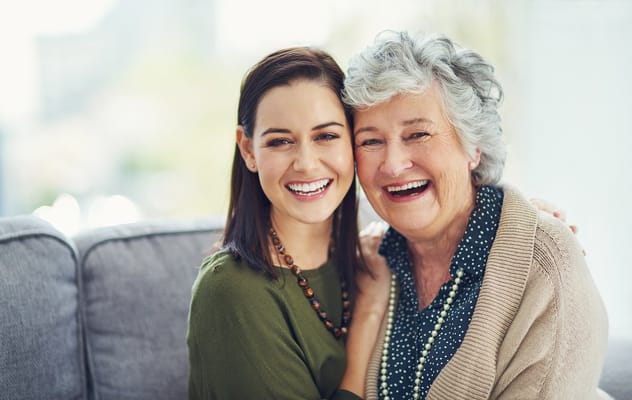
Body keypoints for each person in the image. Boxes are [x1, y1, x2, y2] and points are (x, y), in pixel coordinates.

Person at [338, 31, 610, 400]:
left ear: (474, 147)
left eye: (418, 134)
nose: (394, 164)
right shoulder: (368, 262)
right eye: (371, 141)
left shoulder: (544, 264)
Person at [186, 46, 372, 400]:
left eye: (326, 136)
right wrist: (370, 313)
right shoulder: (230, 291)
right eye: (280, 141)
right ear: (248, 150)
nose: (306, 163)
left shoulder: (370, 260)